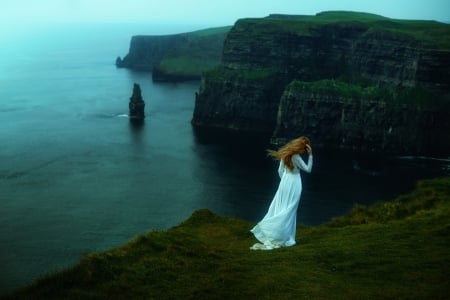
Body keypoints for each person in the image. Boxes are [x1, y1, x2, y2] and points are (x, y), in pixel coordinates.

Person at [250, 136, 313, 250]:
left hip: (284, 182)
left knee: (280, 207)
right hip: (295, 183)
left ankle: (275, 231)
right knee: (290, 210)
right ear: (302, 147)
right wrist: (311, 155)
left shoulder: (285, 154)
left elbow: (280, 171)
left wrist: (284, 182)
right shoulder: (297, 157)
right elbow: (308, 169)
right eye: (304, 149)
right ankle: (282, 235)